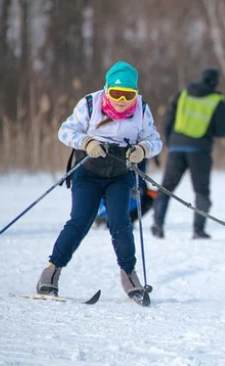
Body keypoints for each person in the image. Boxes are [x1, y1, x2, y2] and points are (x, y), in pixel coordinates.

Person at [36, 61, 163, 297]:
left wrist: (143, 150)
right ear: (107, 90)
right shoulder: (90, 104)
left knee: (120, 223)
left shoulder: (142, 110)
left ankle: (129, 275)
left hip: (120, 174)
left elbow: (155, 140)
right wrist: (87, 142)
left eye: (128, 95)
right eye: (116, 94)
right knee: (80, 221)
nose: (122, 101)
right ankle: (52, 271)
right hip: (89, 172)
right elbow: (65, 131)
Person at [151, 68, 225, 239]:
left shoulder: (183, 94)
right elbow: (222, 130)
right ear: (216, 82)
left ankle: (157, 223)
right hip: (200, 150)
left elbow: (168, 119)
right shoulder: (217, 101)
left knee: (166, 187)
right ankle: (198, 229)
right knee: (201, 191)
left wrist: (171, 141)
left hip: (176, 148)